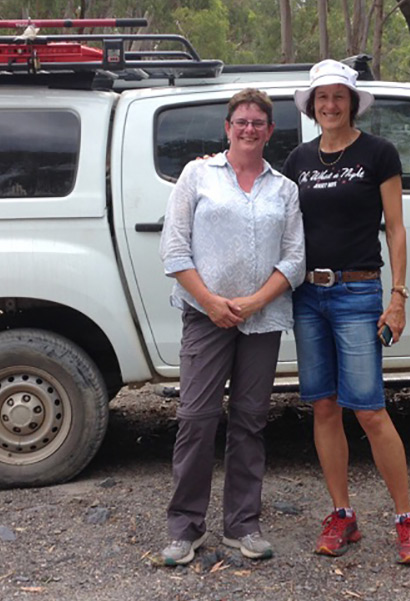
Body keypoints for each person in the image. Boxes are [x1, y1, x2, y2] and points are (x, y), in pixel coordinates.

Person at [281, 59, 410, 566]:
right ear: (311, 105)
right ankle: (342, 514)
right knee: (323, 407)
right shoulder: (297, 160)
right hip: (308, 296)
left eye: (338, 96)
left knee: (368, 410)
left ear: (352, 101)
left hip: (357, 294)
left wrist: (399, 296)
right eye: (321, 97)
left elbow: (396, 228)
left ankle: (406, 520)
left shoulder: (378, 153)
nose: (329, 105)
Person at [154, 88, 306, 566]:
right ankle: (185, 529)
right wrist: (210, 302)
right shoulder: (198, 175)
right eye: (240, 121)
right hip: (205, 316)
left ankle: (243, 524)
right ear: (227, 128)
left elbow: (296, 259)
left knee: (248, 422)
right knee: (196, 419)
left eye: (258, 122)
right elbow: (174, 249)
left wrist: (258, 300)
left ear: (269, 131)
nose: (249, 129)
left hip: (262, 321)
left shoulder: (283, 188)